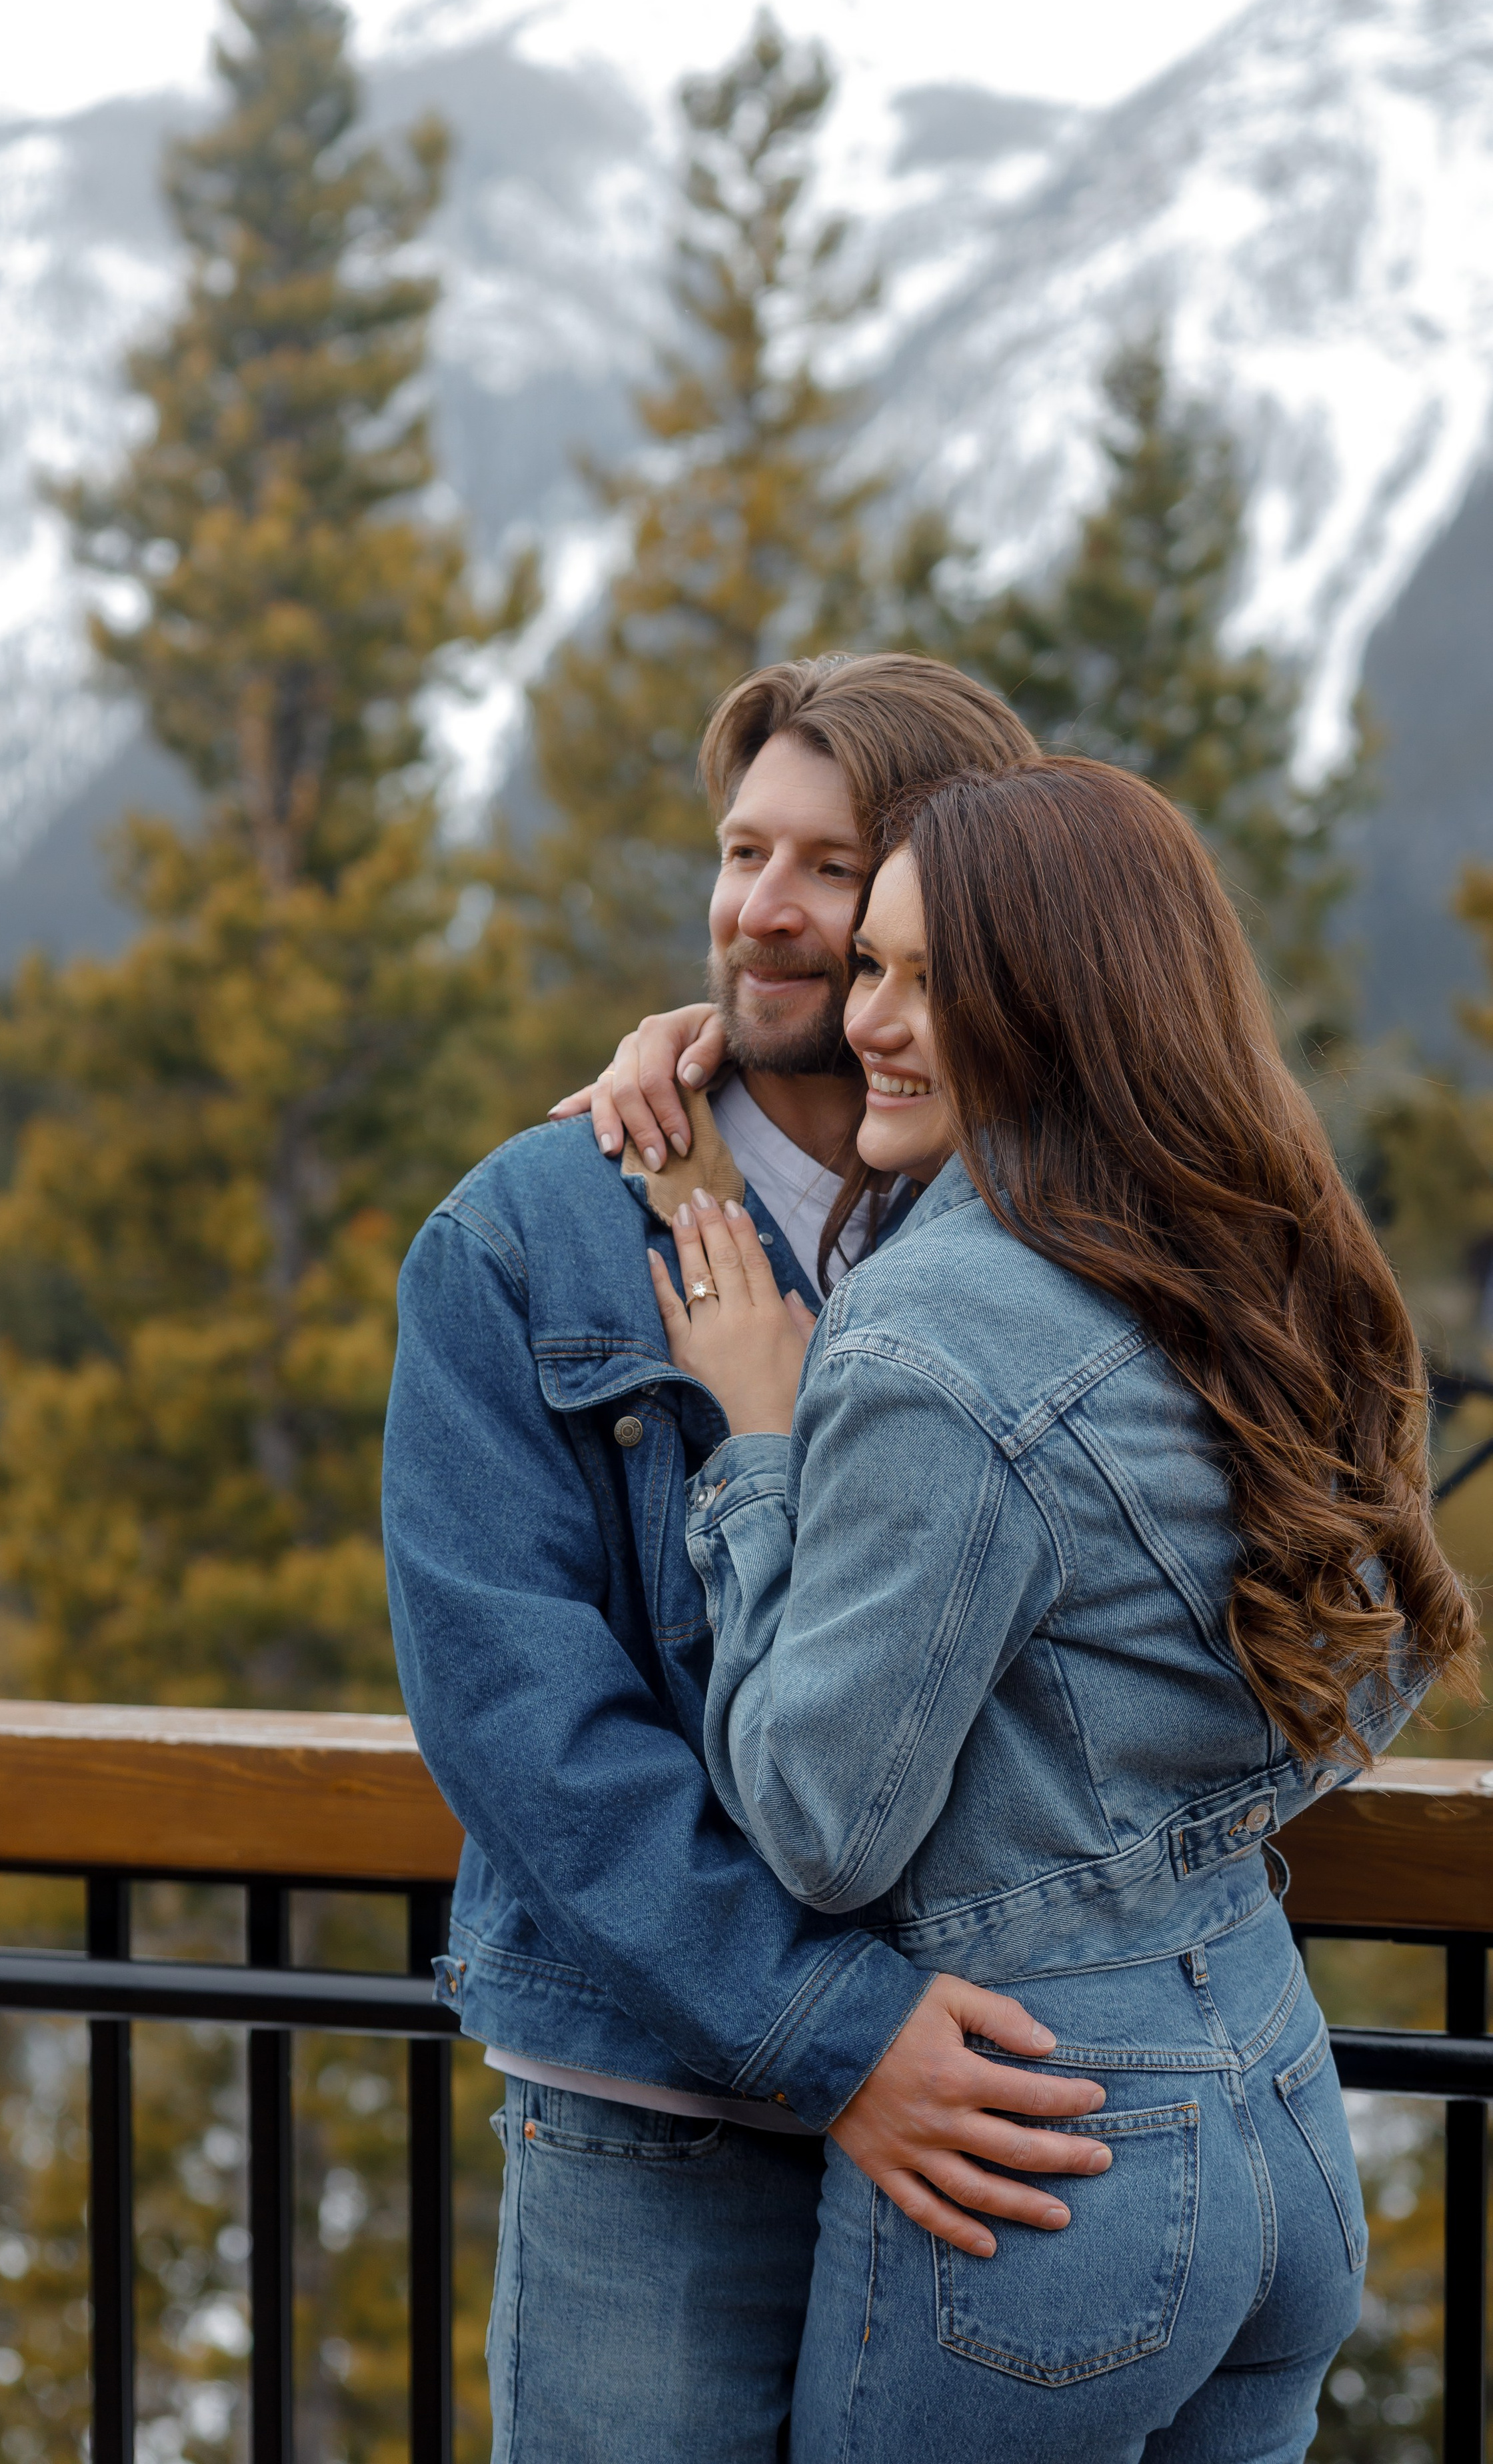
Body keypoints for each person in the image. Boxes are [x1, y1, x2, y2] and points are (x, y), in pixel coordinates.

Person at [647, 753, 1477, 2462]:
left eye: (934, 981)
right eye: (868, 964)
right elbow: (1377, 1655)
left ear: (1062, 1002)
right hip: (1271, 2095)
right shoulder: (1260, 1258)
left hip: (1037, 2155)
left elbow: (819, 1828)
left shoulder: (929, 1333)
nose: (873, 1018)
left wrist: (754, 1448)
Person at [382, 656, 1115, 2463]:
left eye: (833, 871)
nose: (762, 916)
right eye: (739, 855)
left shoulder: (1061, 1224)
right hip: (661, 2115)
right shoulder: (527, 1242)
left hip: (1003, 2096)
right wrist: (828, 2028)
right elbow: (519, 1714)